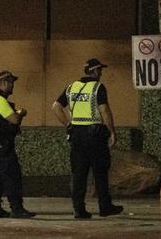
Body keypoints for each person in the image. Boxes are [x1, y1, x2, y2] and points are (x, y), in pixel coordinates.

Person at [52, 59, 123, 219]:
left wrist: (68, 124)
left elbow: (55, 106)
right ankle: (105, 207)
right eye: (100, 70)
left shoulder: (71, 87)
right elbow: (104, 110)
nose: (101, 73)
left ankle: (78, 209)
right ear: (95, 71)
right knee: (100, 172)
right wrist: (112, 131)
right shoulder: (98, 87)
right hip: (95, 136)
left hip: (76, 136)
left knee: (79, 174)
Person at [0, 70, 36, 219]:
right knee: (12, 175)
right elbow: (14, 120)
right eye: (11, 82)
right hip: (3, 143)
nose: (13, 86)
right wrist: (21, 113)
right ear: (4, 82)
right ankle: (17, 208)